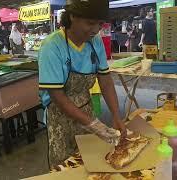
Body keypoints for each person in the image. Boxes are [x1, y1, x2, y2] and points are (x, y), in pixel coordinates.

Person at [38, 0, 127, 168]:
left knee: (93, 163)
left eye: (100, 24)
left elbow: (105, 80)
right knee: (66, 168)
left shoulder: (95, 41)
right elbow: (57, 95)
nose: (95, 30)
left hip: (86, 109)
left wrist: (116, 116)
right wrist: (93, 124)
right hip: (60, 117)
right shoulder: (52, 46)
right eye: (90, 23)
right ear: (72, 16)